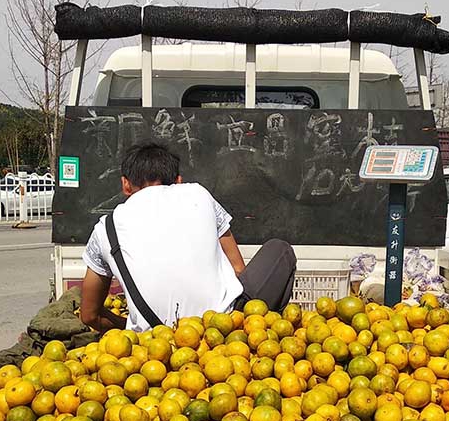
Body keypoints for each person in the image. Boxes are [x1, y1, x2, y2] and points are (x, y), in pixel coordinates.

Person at [79, 141, 297, 333]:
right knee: (280, 250)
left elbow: (89, 315)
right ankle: (265, 333)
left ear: (125, 185)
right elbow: (238, 269)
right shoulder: (198, 194)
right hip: (224, 329)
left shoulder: (105, 228)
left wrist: (133, 331)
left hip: (153, 344)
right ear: (178, 181)